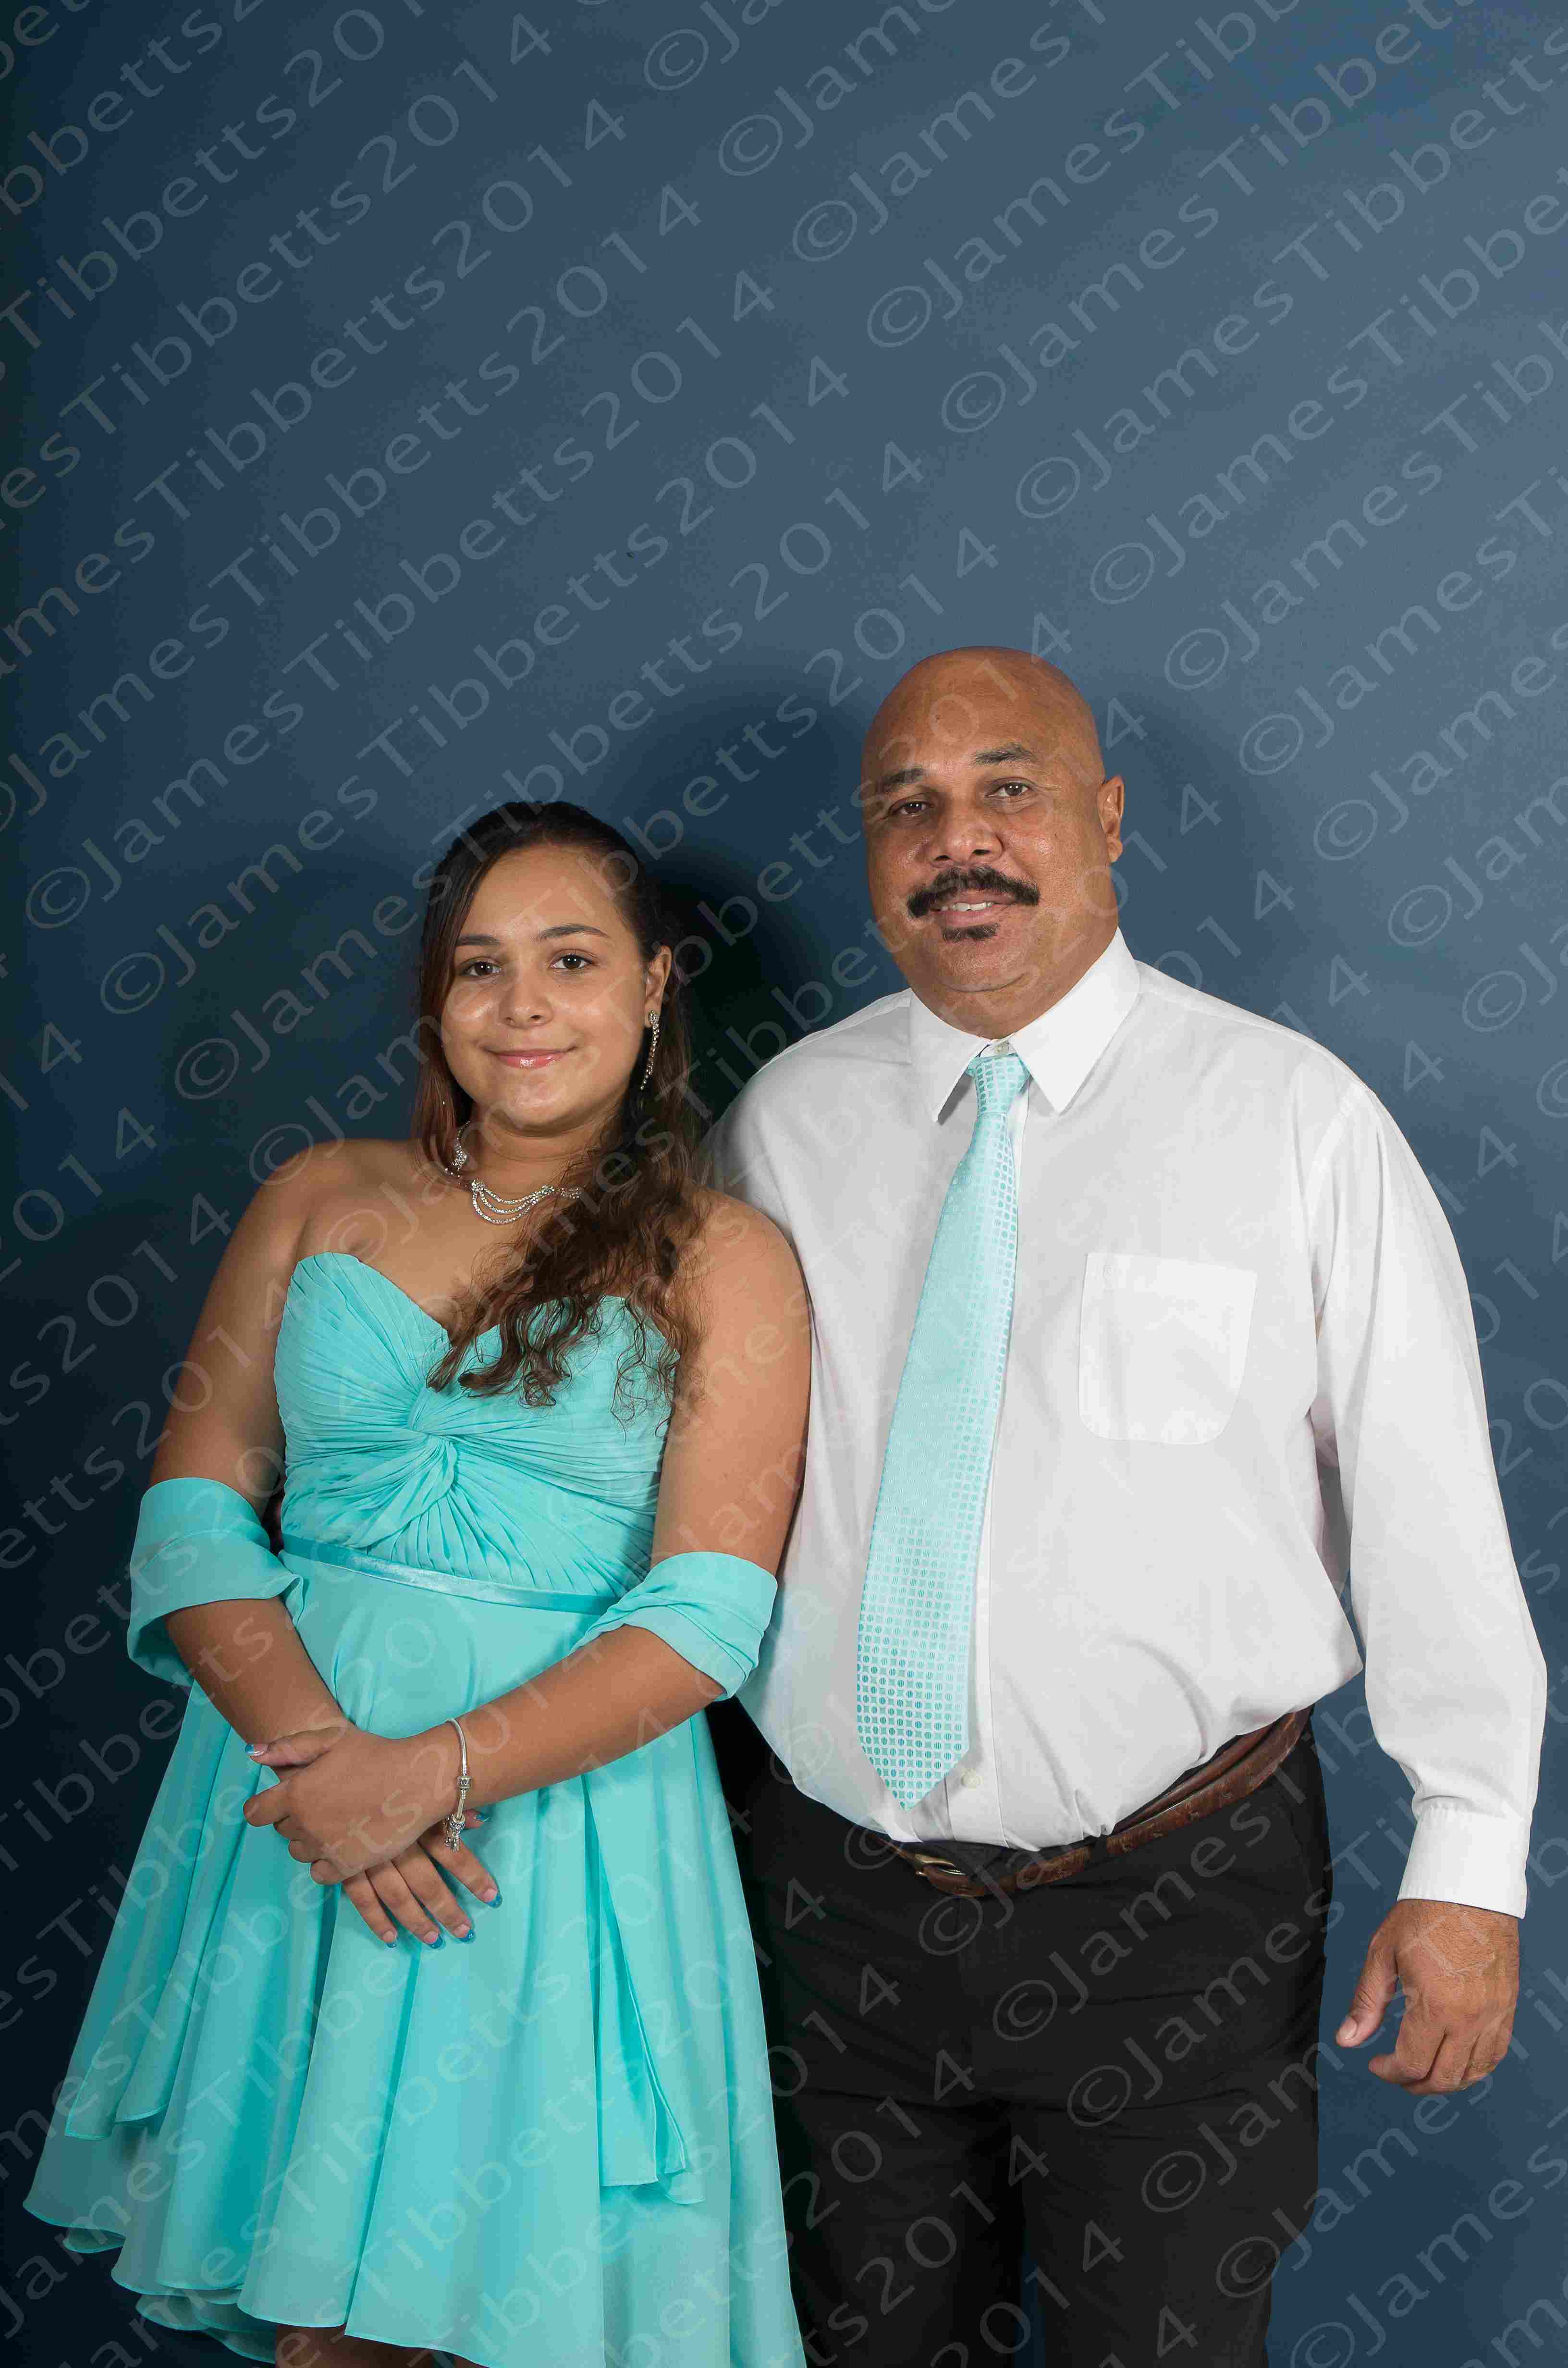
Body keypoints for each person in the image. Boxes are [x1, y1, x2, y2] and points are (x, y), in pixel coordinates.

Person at [701, 644, 1548, 2367]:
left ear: (1105, 820)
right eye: (908, 807)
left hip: (1176, 1909)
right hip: (833, 1910)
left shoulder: (1294, 1122)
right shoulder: (783, 1128)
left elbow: (1431, 1516)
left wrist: (1469, 1864)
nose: (960, 840)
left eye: (1007, 791)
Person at [24, 801, 813, 2368]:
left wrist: (427, 1780)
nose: (523, 1007)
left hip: (549, 1836)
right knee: (322, 2332)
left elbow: (707, 1614)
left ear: (655, 985)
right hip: (289, 1804)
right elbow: (193, 1510)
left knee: (518, 2310)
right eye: (479, 966)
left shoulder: (725, 1256)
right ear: (436, 1000)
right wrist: (337, 1775)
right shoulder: (324, 1193)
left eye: (571, 960)